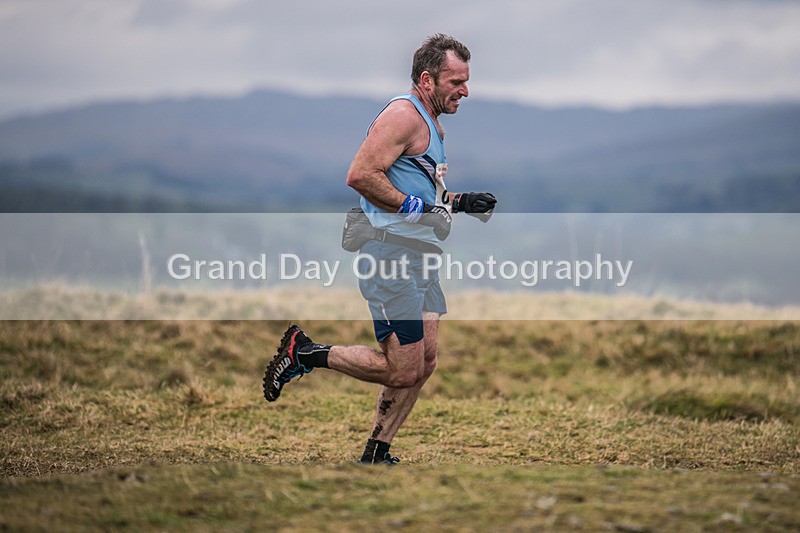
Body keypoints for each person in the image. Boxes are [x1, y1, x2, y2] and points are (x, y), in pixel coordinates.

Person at [263, 34, 496, 465]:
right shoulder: (403, 116)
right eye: (456, 82)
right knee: (403, 367)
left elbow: (421, 194)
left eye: (466, 81)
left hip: (421, 256)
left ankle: (376, 452)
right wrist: (417, 209)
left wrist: (462, 202)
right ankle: (305, 352)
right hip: (391, 256)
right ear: (427, 80)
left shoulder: (432, 123)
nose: (465, 90)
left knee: (425, 362)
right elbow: (361, 175)